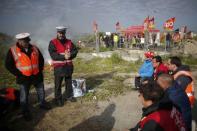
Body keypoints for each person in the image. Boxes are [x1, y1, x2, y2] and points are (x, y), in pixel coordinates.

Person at [5, 33, 51, 121]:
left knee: (41, 91)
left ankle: (42, 103)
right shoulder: (13, 50)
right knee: (24, 95)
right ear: (19, 41)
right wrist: (18, 74)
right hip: (23, 77)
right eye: (25, 41)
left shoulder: (34, 48)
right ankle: (25, 111)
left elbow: (41, 59)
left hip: (36, 75)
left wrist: (40, 70)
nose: (28, 42)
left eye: (28, 40)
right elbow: (8, 65)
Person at [48, 26, 78, 107]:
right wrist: (64, 57)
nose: (61, 34)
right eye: (59, 33)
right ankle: (58, 99)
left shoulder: (69, 42)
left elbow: (75, 50)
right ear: (57, 33)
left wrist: (71, 55)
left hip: (68, 66)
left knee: (68, 82)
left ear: (65, 33)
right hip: (59, 67)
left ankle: (68, 96)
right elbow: (53, 55)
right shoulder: (53, 42)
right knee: (58, 84)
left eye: (62, 33)